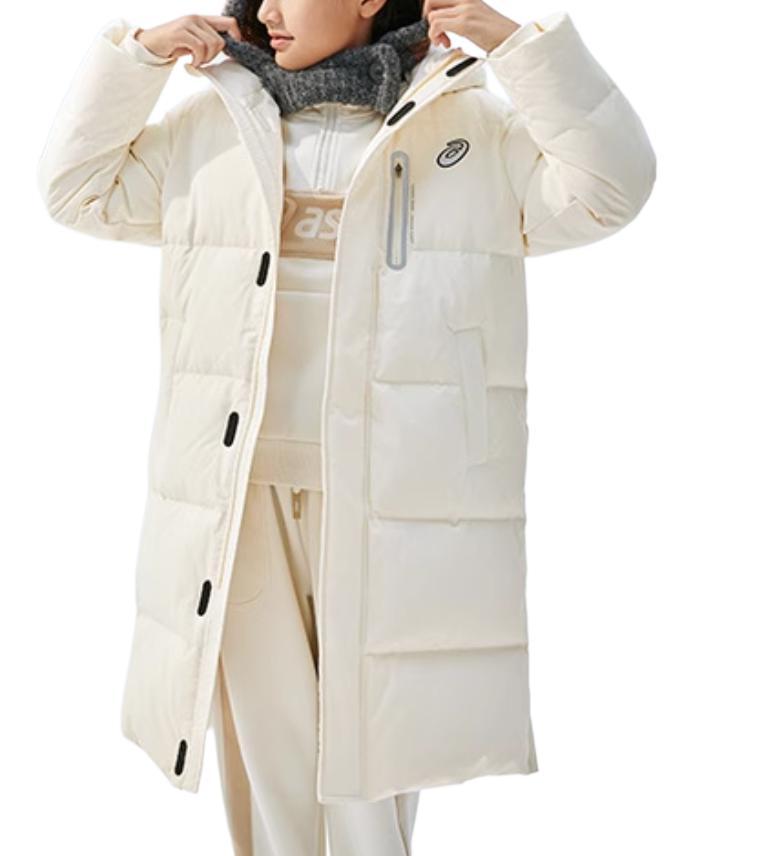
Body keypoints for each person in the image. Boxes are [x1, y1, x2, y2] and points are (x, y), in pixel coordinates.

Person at [37, 2, 656, 854]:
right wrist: (136, 58)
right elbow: (77, 189)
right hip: (238, 495)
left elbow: (609, 189)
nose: (265, 11)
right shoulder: (215, 123)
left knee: (374, 751)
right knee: (271, 746)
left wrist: (519, 48)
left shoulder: (465, 127)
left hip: (395, 496)